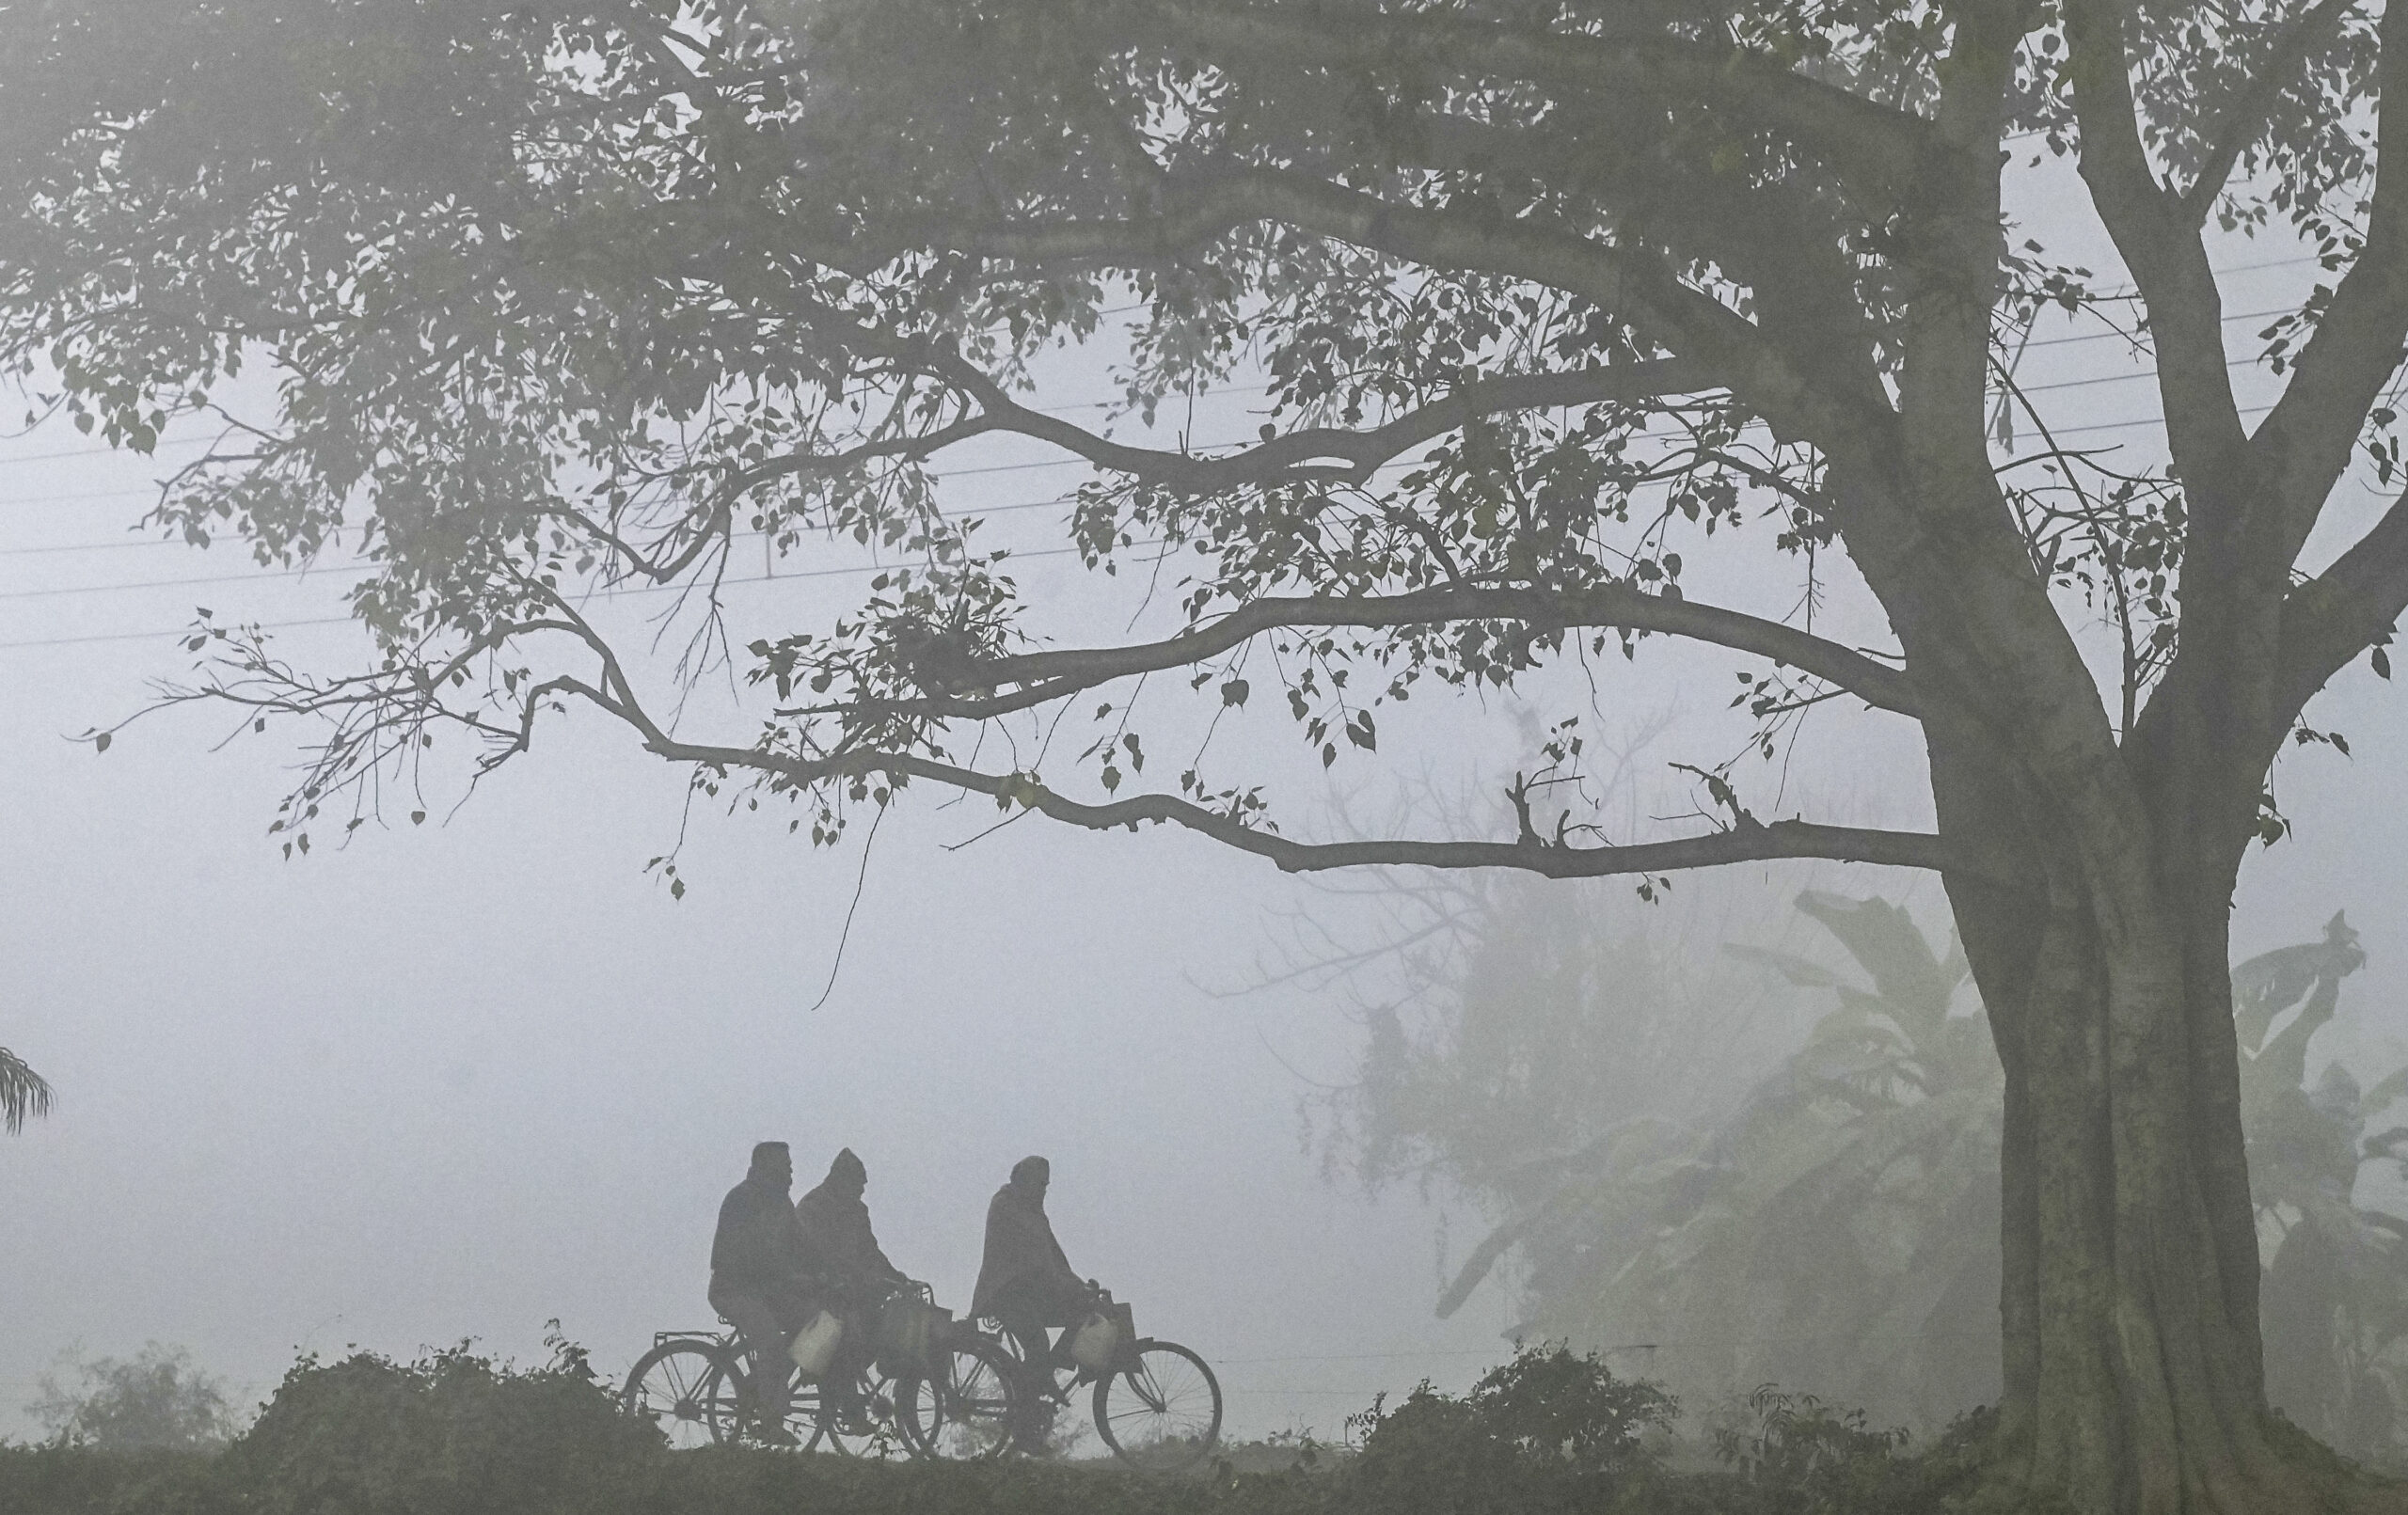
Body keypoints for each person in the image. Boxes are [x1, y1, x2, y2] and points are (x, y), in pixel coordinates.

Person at [708, 1141, 816, 1443]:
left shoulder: (782, 1204)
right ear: (766, 1165)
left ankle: (765, 1381)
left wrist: (829, 1272)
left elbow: (805, 1247)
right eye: (785, 1163)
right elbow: (743, 1252)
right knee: (769, 1342)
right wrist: (789, 1276)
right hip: (733, 1289)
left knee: (816, 1322)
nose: (791, 1168)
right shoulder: (741, 1199)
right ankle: (770, 1422)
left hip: (767, 1291)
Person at [792, 1146, 911, 1420]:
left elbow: (870, 1250)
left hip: (848, 1287)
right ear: (841, 1181)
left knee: (874, 1331)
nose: (862, 1191)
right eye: (858, 1184)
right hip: (816, 1287)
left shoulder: (857, 1210)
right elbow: (819, 1255)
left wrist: (895, 1276)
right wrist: (858, 1275)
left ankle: (840, 1385)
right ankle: (842, 1398)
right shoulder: (813, 1208)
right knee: (847, 1334)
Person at [972, 1155, 1098, 1375]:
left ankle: (1046, 1373)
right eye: (1040, 1184)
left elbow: (1054, 1257)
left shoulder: (1033, 1211)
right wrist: (1071, 1287)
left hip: (1028, 1291)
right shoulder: (1007, 1205)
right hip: (1006, 1292)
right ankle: (1027, 1398)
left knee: (1081, 1312)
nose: (1044, 1190)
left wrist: (1078, 1285)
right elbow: (1037, 1258)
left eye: (1046, 1185)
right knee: (1037, 1343)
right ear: (1025, 1180)